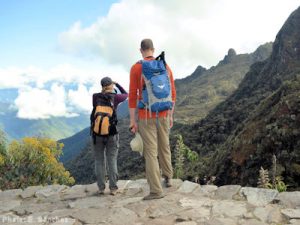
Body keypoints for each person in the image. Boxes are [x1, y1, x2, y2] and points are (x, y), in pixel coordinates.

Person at [128, 39, 176, 200]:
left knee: (150, 153)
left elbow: (133, 97)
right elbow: (173, 93)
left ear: (140, 50)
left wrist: (132, 121)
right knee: (165, 146)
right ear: (153, 50)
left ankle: (156, 191)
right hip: (163, 113)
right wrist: (170, 115)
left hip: (146, 116)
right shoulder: (164, 66)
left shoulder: (136, 68)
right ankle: (168, 177)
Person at [91, 76, 128, 195]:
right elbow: (126, 94)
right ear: (111, 85)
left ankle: (101, 188)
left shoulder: (95, 97)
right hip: (112, 133)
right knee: (112, 159)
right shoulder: (116, 97)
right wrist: (117, 84)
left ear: (102, 86)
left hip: (97, 134)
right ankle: (113, 188)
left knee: (99, 160)